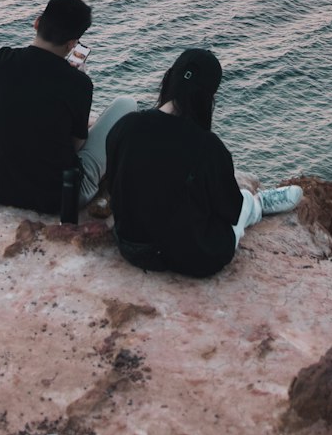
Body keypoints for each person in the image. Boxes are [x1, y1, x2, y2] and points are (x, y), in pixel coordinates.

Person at [106, 47, 302, 278]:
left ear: (168, 78)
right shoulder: (209, 147)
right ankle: (256, 205)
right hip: (190, 259)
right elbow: (230, 212)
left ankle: (254, 204)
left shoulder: (126, 125)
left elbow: (114, 187)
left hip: (131, 246)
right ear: (210, 97)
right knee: (238, 212)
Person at [0, 0, 137, 215]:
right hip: (58, 199)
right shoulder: (78, 83)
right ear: (72, 44)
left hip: (0, 188)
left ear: (37, 23)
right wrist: (77, 80)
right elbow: (76, 146)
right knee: (126, 103)